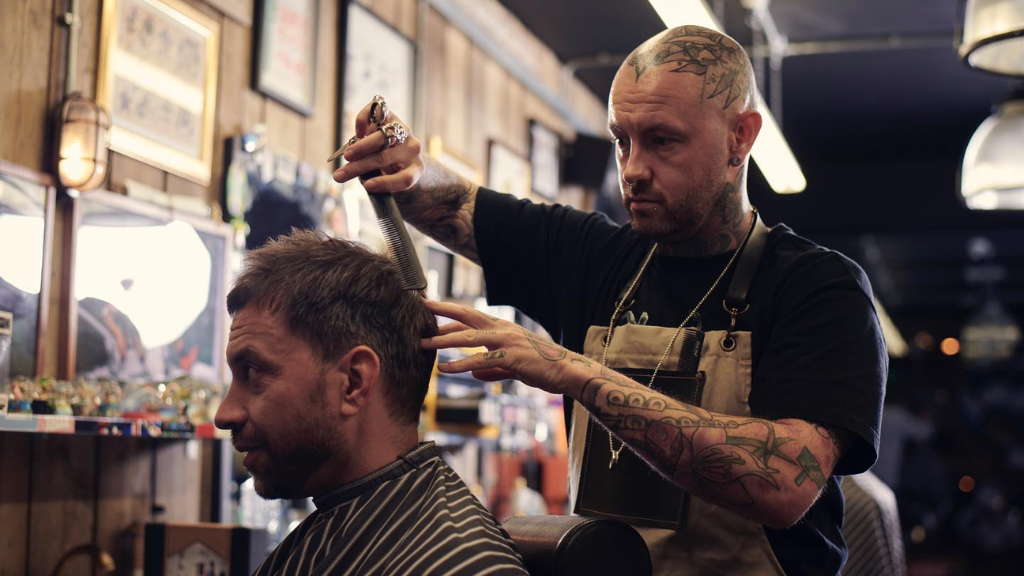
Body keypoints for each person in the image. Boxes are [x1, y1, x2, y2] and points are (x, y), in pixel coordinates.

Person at [336, 24, 887, 576]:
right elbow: (456, 204)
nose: (633, 169)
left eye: (662, 140)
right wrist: (404, 170)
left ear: (740, 137)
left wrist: (574, 373)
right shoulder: (594, 257)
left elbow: (784, 483)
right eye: (622, 139)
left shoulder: (818, 288)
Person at [213, 230, 528, 576]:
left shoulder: (461, 565)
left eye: (254, 372)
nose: (224, 414)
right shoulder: (326, 532)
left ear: (354, 382)